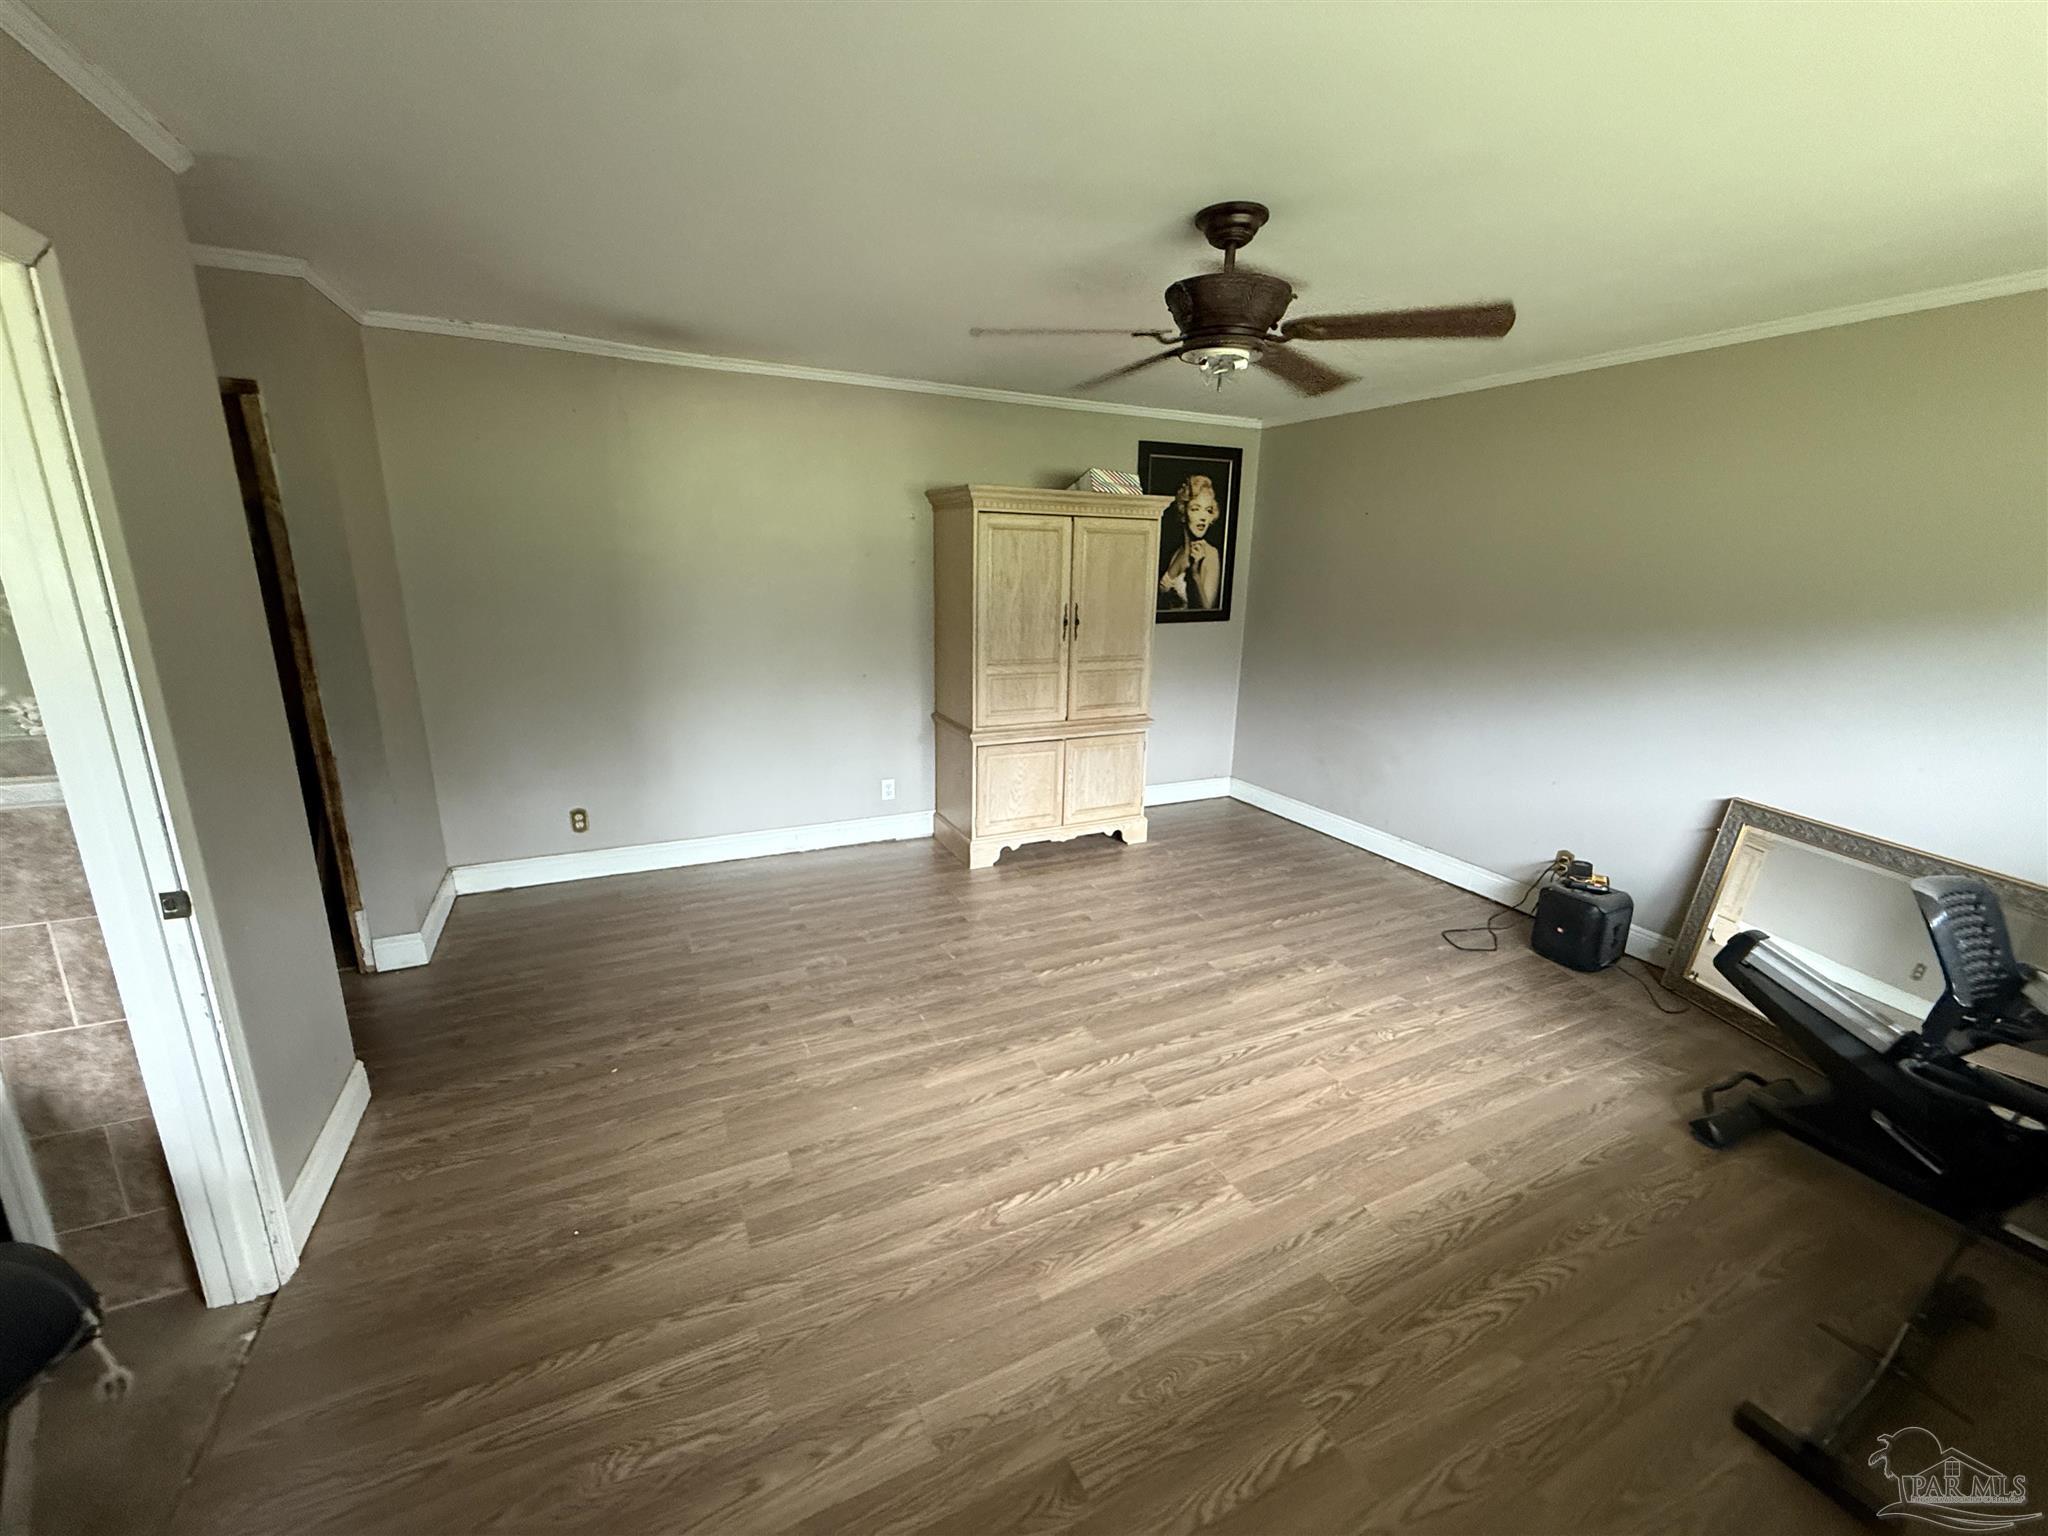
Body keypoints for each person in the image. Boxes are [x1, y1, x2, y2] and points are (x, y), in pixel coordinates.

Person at [1158, 474, 1224, 611]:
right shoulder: (1177, 552)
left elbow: (1206, 612)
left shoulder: (1210, 554)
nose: (1203, 517)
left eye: (1208, 510)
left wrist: (1194, 574)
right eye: (1195, 509)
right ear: (1183, 512)